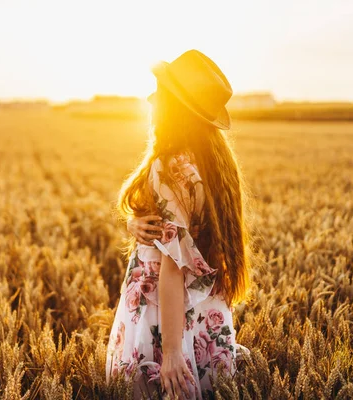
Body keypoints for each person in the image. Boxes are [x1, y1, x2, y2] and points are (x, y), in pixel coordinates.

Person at [105, 49, 253, 400]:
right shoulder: (213, 162)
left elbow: (172, 266)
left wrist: (171, 352)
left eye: (160, 91)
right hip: (206, 317)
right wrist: (134, 225)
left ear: (174, 104)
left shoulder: (169, 164)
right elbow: (177, 232)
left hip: (164, 318)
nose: (150, 97)